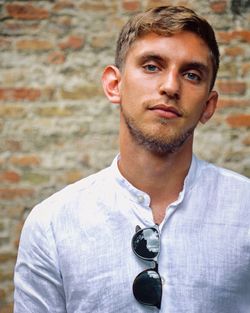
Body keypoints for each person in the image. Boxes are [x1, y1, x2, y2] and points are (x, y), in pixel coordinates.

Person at [14, 5, 250, 313]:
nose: (170, 86)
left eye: (191, 74)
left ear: (208, 105)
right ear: (115, 84)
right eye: (152, 67)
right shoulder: (52, 225)